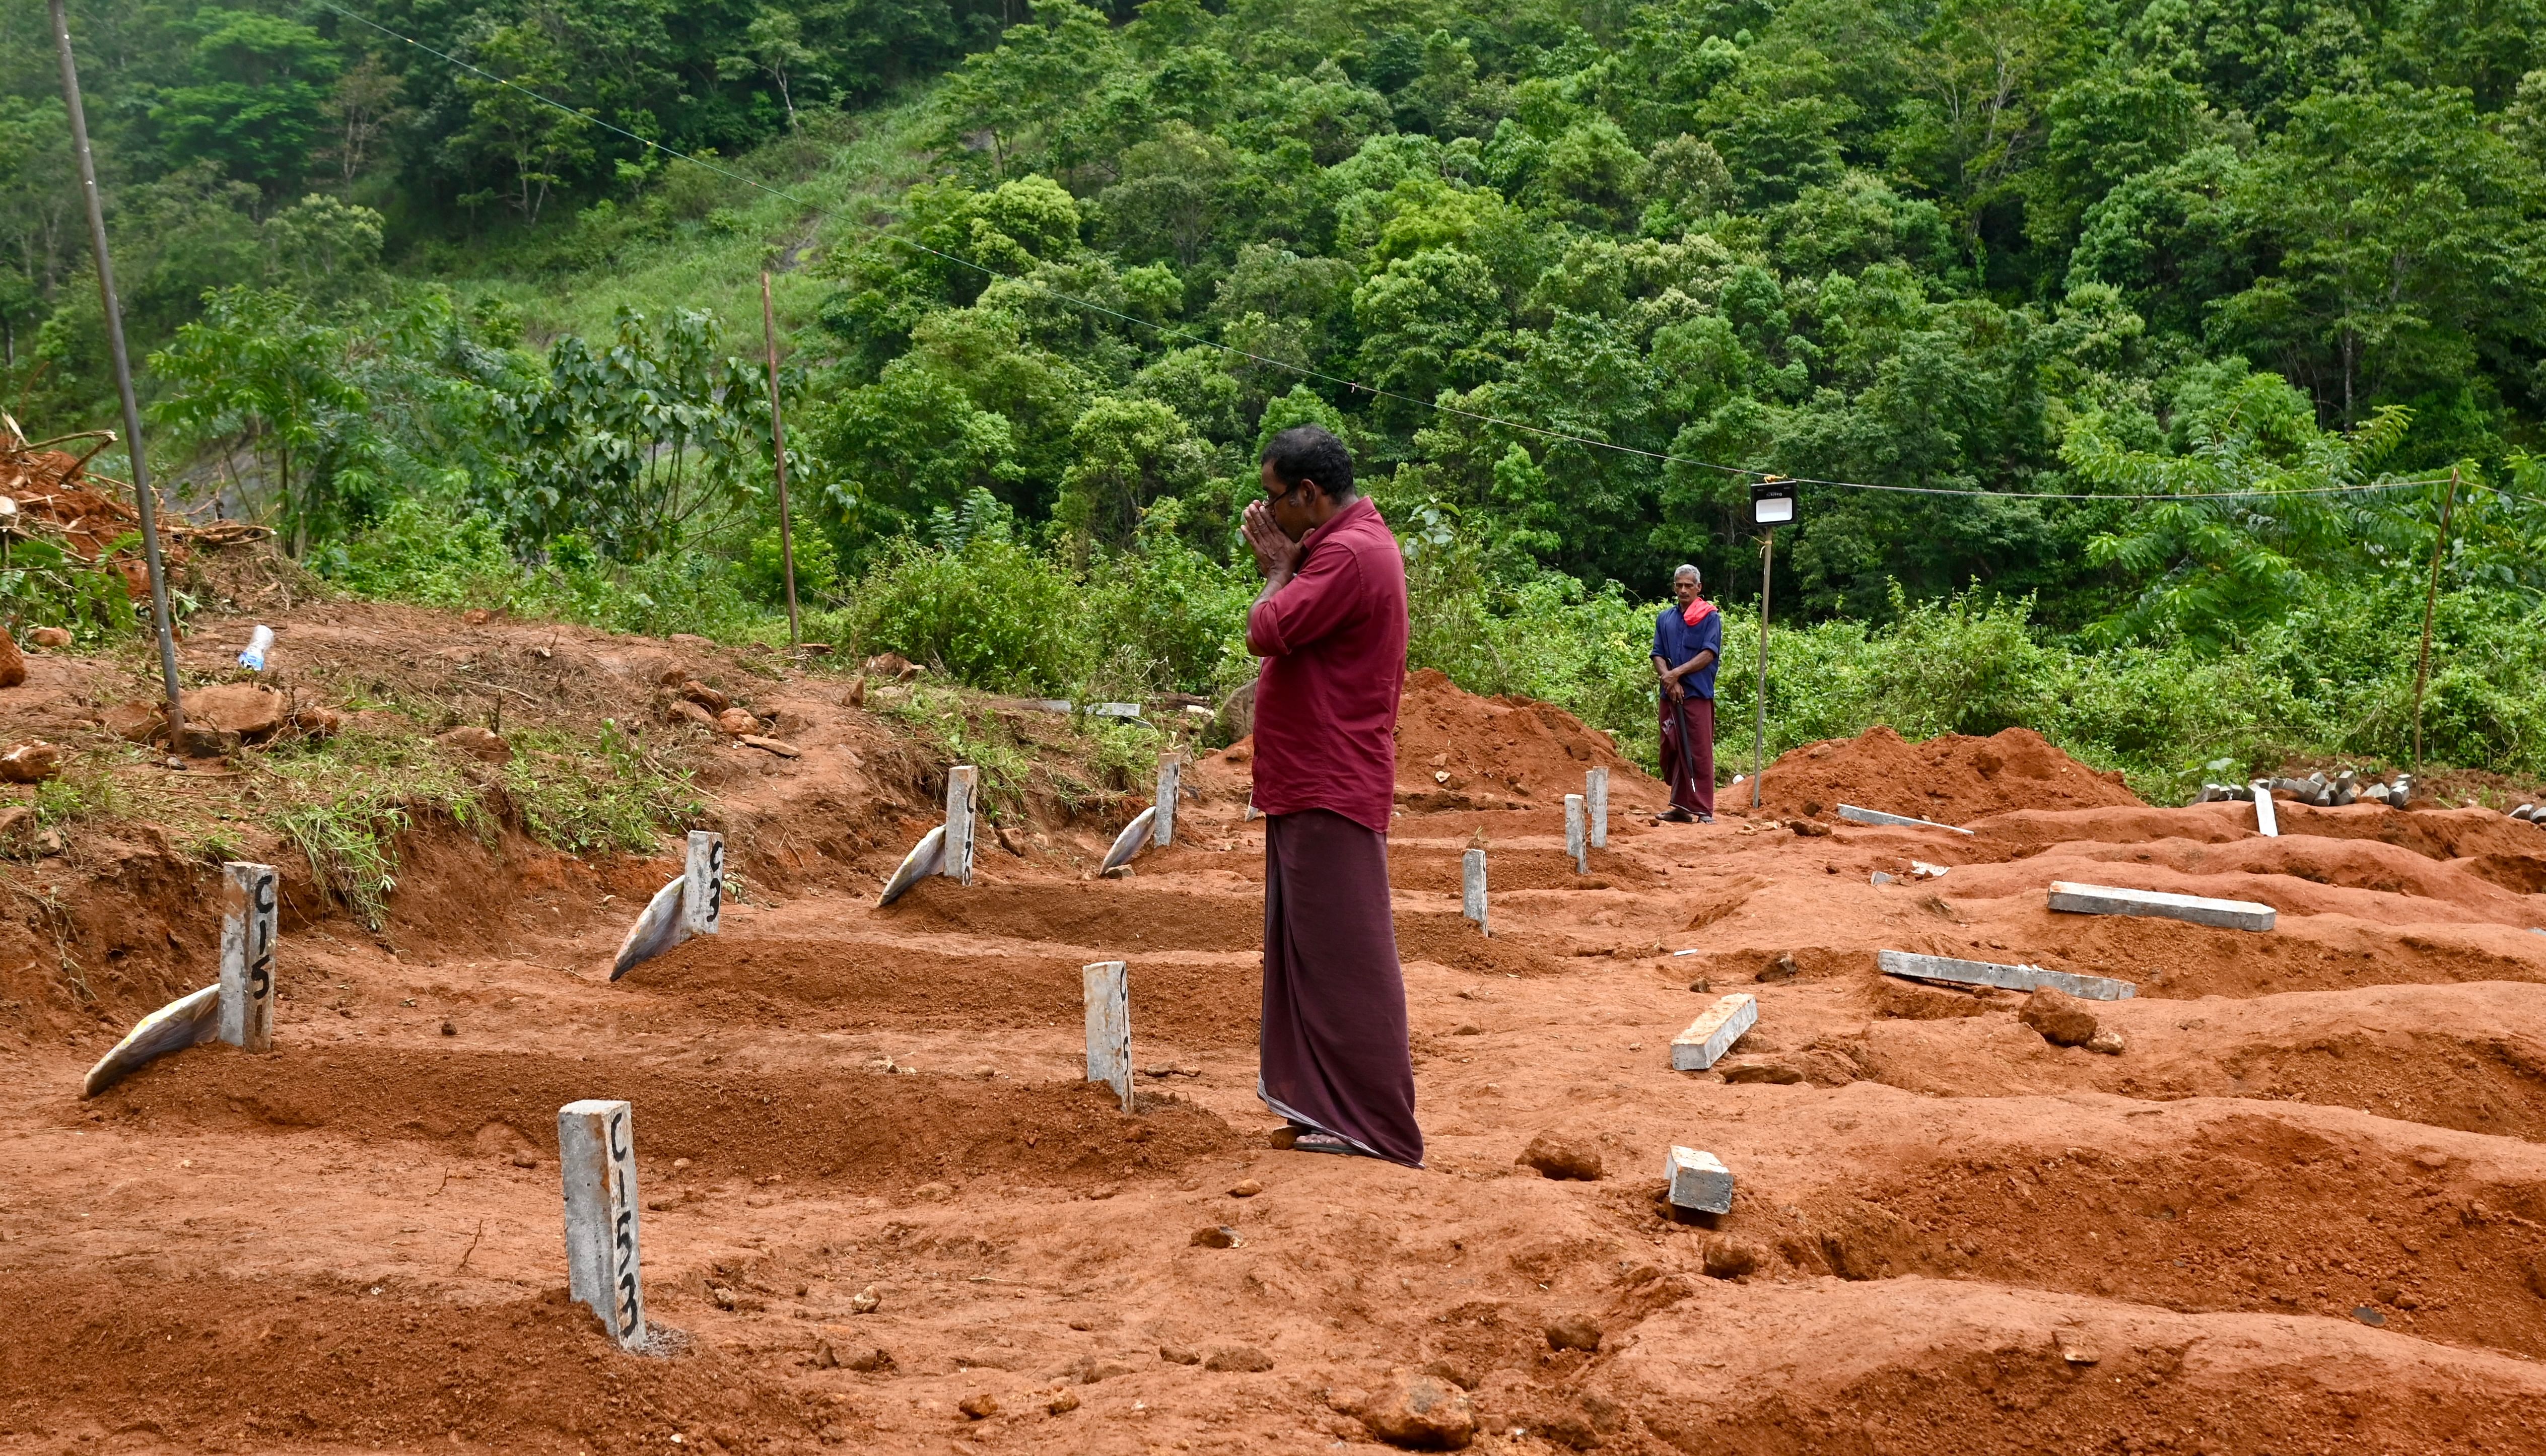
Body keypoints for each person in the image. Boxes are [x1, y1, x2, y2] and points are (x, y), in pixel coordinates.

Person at [1236, 424, 1422, 1167]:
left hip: (1328, 776)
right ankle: (1328, 1106)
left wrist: (1278, 570)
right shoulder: (1346, 542)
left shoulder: (1346, 553)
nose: (1266, 511)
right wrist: (1291, 559)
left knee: (1346, 954)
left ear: (1308, 494)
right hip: (1312, 774)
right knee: (1311, 949)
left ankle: (1375, 1122)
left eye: (1274, 496)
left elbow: (1266, 626)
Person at [1653, 564, 1721, 823]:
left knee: (1699, 752)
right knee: (1670, 749)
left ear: (1698, 588)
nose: (1683, 590)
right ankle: (1680, 807)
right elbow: (1658, 653)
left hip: (1697, 694)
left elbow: (1708, 654)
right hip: (1670, 695)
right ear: (1674, 587)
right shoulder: (1665, 619)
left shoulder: (1709, 617)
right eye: (1679, 585)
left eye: (1688, 586)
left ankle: (1703, 809)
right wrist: (1669, 680)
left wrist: (1676, 674)